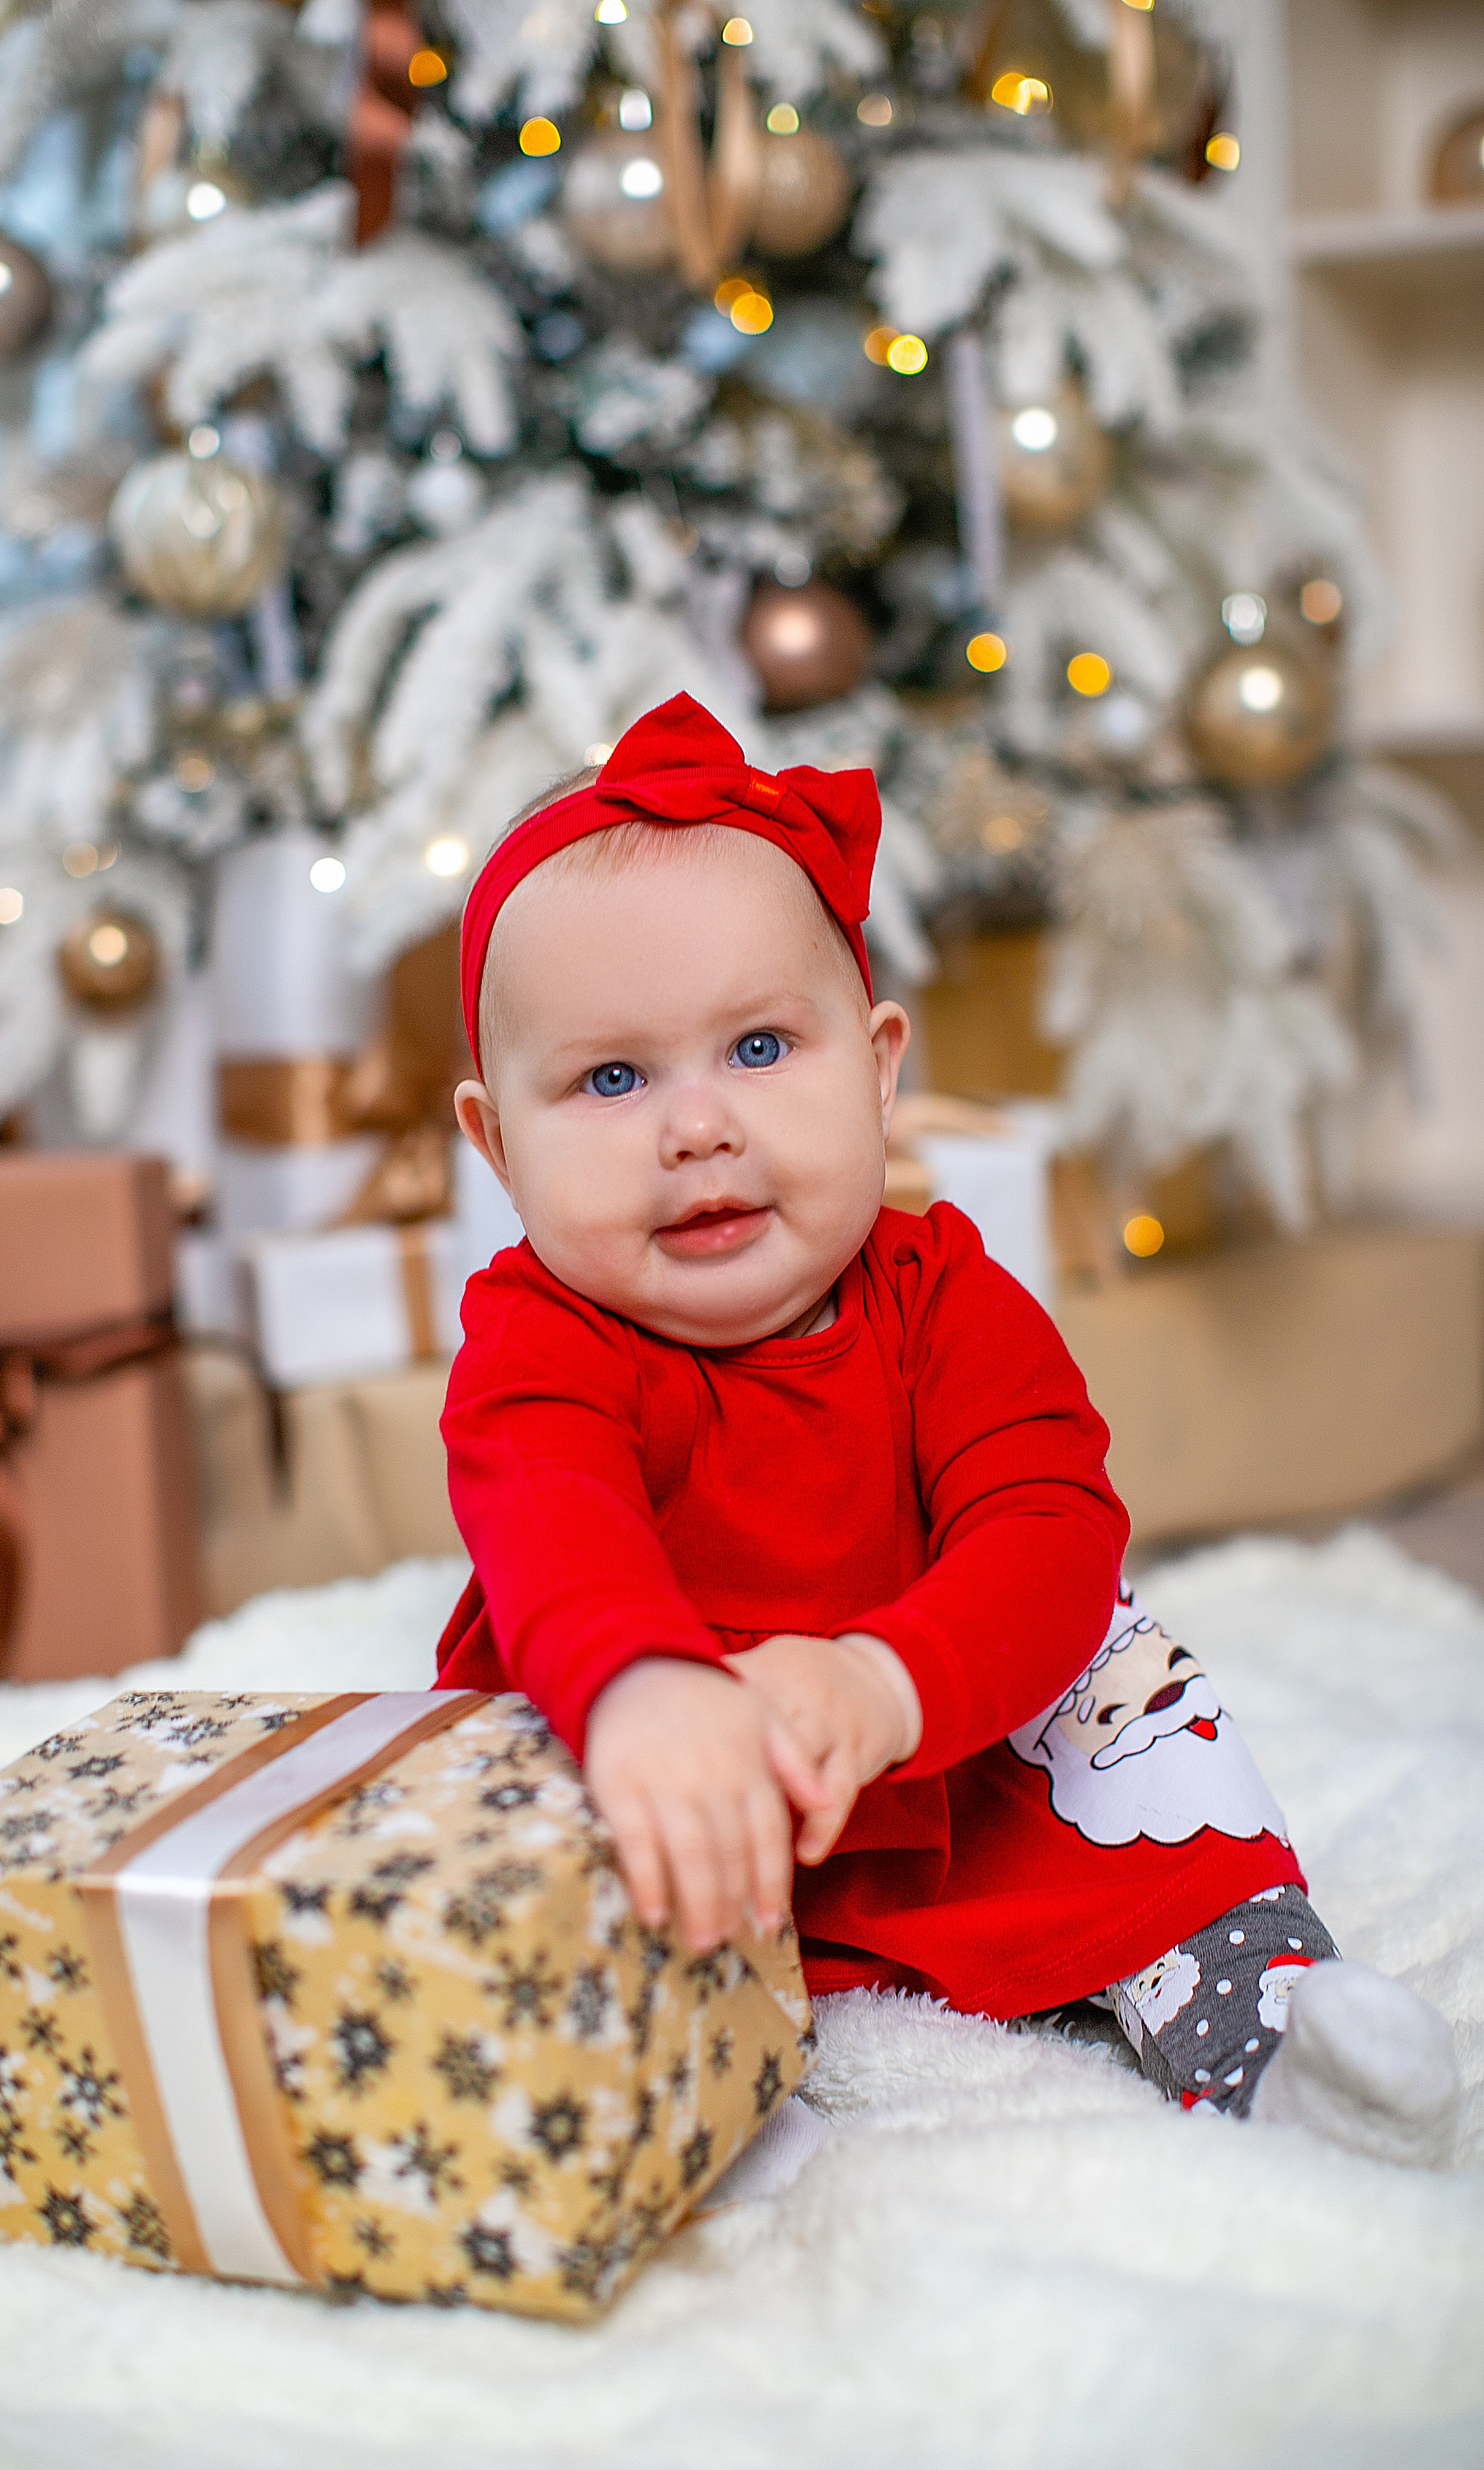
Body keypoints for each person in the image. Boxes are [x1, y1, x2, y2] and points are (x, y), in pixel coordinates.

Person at [434, 693, 1458, 2168]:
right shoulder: (540, 1334)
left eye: (762, 1048)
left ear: (877, 1063)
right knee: (514, 1826)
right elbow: (549, 1519)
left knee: (1128, 1705)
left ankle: (1260, 2024)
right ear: (495, 1143)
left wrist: (887, 1682)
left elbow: (1046, 1528)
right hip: (666, 1748)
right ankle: (613, 2090)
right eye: (610, 1078)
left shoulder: (944, 1298)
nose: (697, 1126)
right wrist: (641, 1690)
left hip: (935, 1733)